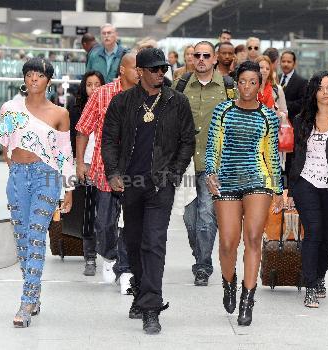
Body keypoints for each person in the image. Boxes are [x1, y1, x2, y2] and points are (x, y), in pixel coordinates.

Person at [102, 48, 195, 334]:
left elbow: (187, 141)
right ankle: (141, 292)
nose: (160, 73)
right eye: (154, 69)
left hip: (160, 185)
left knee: (154, 243)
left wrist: (173, 174)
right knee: (133, 242)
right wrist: (114, 173)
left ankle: (151, 308)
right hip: (130, 184)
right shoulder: (122, 102)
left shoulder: (176, 102)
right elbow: (109, 140)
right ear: (139, 71)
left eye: (163, 68)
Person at [0, 57, 74, 328]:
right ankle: (34, 289)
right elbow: (6, 149)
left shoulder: (60, 114)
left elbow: (65, 155)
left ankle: (27, 300)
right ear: (24, 78)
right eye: (29, 74)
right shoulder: (10, 109)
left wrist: (69, 189)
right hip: (18, 176)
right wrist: (17, 166)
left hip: (47, 176)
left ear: (48, 81)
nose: (33, 79)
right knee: (22, 239)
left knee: (36, 237)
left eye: (39, 75)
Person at [205, 61, 283, 326]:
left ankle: (247, 300)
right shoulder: (223, 111)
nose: (247, 87)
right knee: (228, 242)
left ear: (259, 85)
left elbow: (272, 155)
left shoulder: (268, 115)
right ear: (235, 84)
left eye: (253, 82)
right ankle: (229, 283)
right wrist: (209, 173)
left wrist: (279, 189)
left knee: (252, 237)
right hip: (226, 179)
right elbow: (212, 146)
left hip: (258, 179)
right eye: (242, 82)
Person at [76, 53, 139, 293]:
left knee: (132, 223)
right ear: (122, 70)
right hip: (104, 169)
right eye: (136, 68)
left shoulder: (148, 96)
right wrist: (81, 163)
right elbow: (83, 129)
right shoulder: (102, 94)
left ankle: (125, 269)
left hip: (136, 171)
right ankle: (110, 256)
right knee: (103, 223)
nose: (140, 72)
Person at [173, 41, 233, 287]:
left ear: (215, 58)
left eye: (206, 55)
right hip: (186, 163)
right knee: (190, 218)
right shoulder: (181, 85)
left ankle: (203, 266)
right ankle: (200, 256)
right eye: (196, 55)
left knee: (207, 216)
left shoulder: (228, 88)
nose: (200, 59)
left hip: (214, 164)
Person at [287, 71, 328, 308]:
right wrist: (289, 189)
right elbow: (294, 157)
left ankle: (320, 276)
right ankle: (310, 286)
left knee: (327, 235)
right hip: (306, 182)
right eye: (320, 88)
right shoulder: (302, 119)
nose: (325, 92)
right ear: (313, 91)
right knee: (313, 231)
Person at [68, 71, 105, 276]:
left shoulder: (110, 104)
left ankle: (109, 253)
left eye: (97, 84)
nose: (93, 89)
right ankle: (89, 256)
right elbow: (71, 138)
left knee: (108, 213)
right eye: (89, 84)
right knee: (89, 212)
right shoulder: (75, 108)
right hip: (85, 165)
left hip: (105, 166)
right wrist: (77, 164)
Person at [279, 50, 308, 183]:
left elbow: (303, 102)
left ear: (294, 63)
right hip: (277, 126)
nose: (286, 64)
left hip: (292, 126)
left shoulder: (301, 81)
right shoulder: (275, 78)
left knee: (290, 158)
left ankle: (289, 188)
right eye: (283, 61)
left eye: (289, 61)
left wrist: (283, 107)